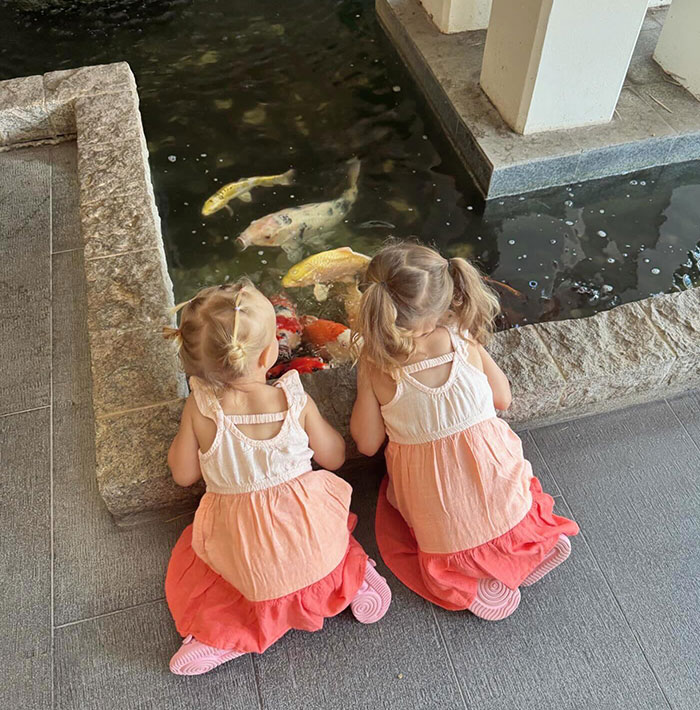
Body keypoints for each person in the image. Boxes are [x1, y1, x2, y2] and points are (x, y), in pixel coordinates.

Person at [163, 280, 391, 675]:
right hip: (309, 537)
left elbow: (183, 475)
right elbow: (335, 458)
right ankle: (353, 576)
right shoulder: (292, 398)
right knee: (325, 532)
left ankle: (221, 636)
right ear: (270, 354)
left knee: (219, 569)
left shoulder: (200, 408)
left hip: (250, 555)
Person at [350, 242, 578, 619]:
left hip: (438, 511)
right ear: (448, 294)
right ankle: (524, 543)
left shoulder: (376, 365)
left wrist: (364, 381)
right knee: (509, 481)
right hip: (500, 493)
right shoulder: (462, 338)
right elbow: (502, 398)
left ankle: (470, 581)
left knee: (416, 515)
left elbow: (368, 442)